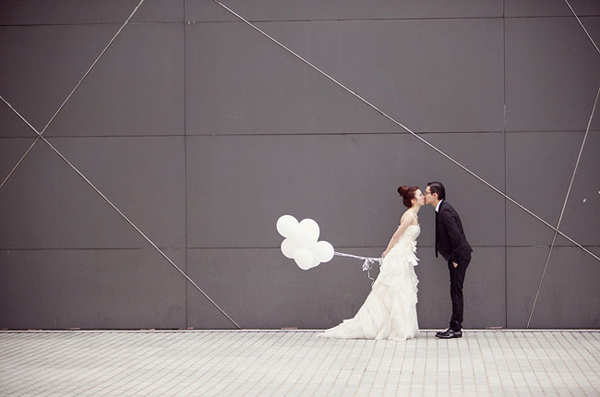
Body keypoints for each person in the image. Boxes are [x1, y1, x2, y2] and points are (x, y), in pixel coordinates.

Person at [319, 186, 424, 341]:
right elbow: (396, 235)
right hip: (399, 255)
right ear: (413, 200)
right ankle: (394, 327)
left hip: (405, 255)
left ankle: (401, 326)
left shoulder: (414, 215)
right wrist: (387, 252)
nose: (423, 197)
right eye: (420, 195)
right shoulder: (409, 216)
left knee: (402, 290)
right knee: (396, 289)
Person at [424, 181, 472, 339]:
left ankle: (456, 328)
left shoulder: (444, 211)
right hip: (457, 256)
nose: (425, 196)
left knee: (456, 291)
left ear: (435, 195)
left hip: (459, 256)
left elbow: (456, 236)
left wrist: (456, 259)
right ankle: (454, 325)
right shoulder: (442, 209)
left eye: (427, 193)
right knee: (455, 290)